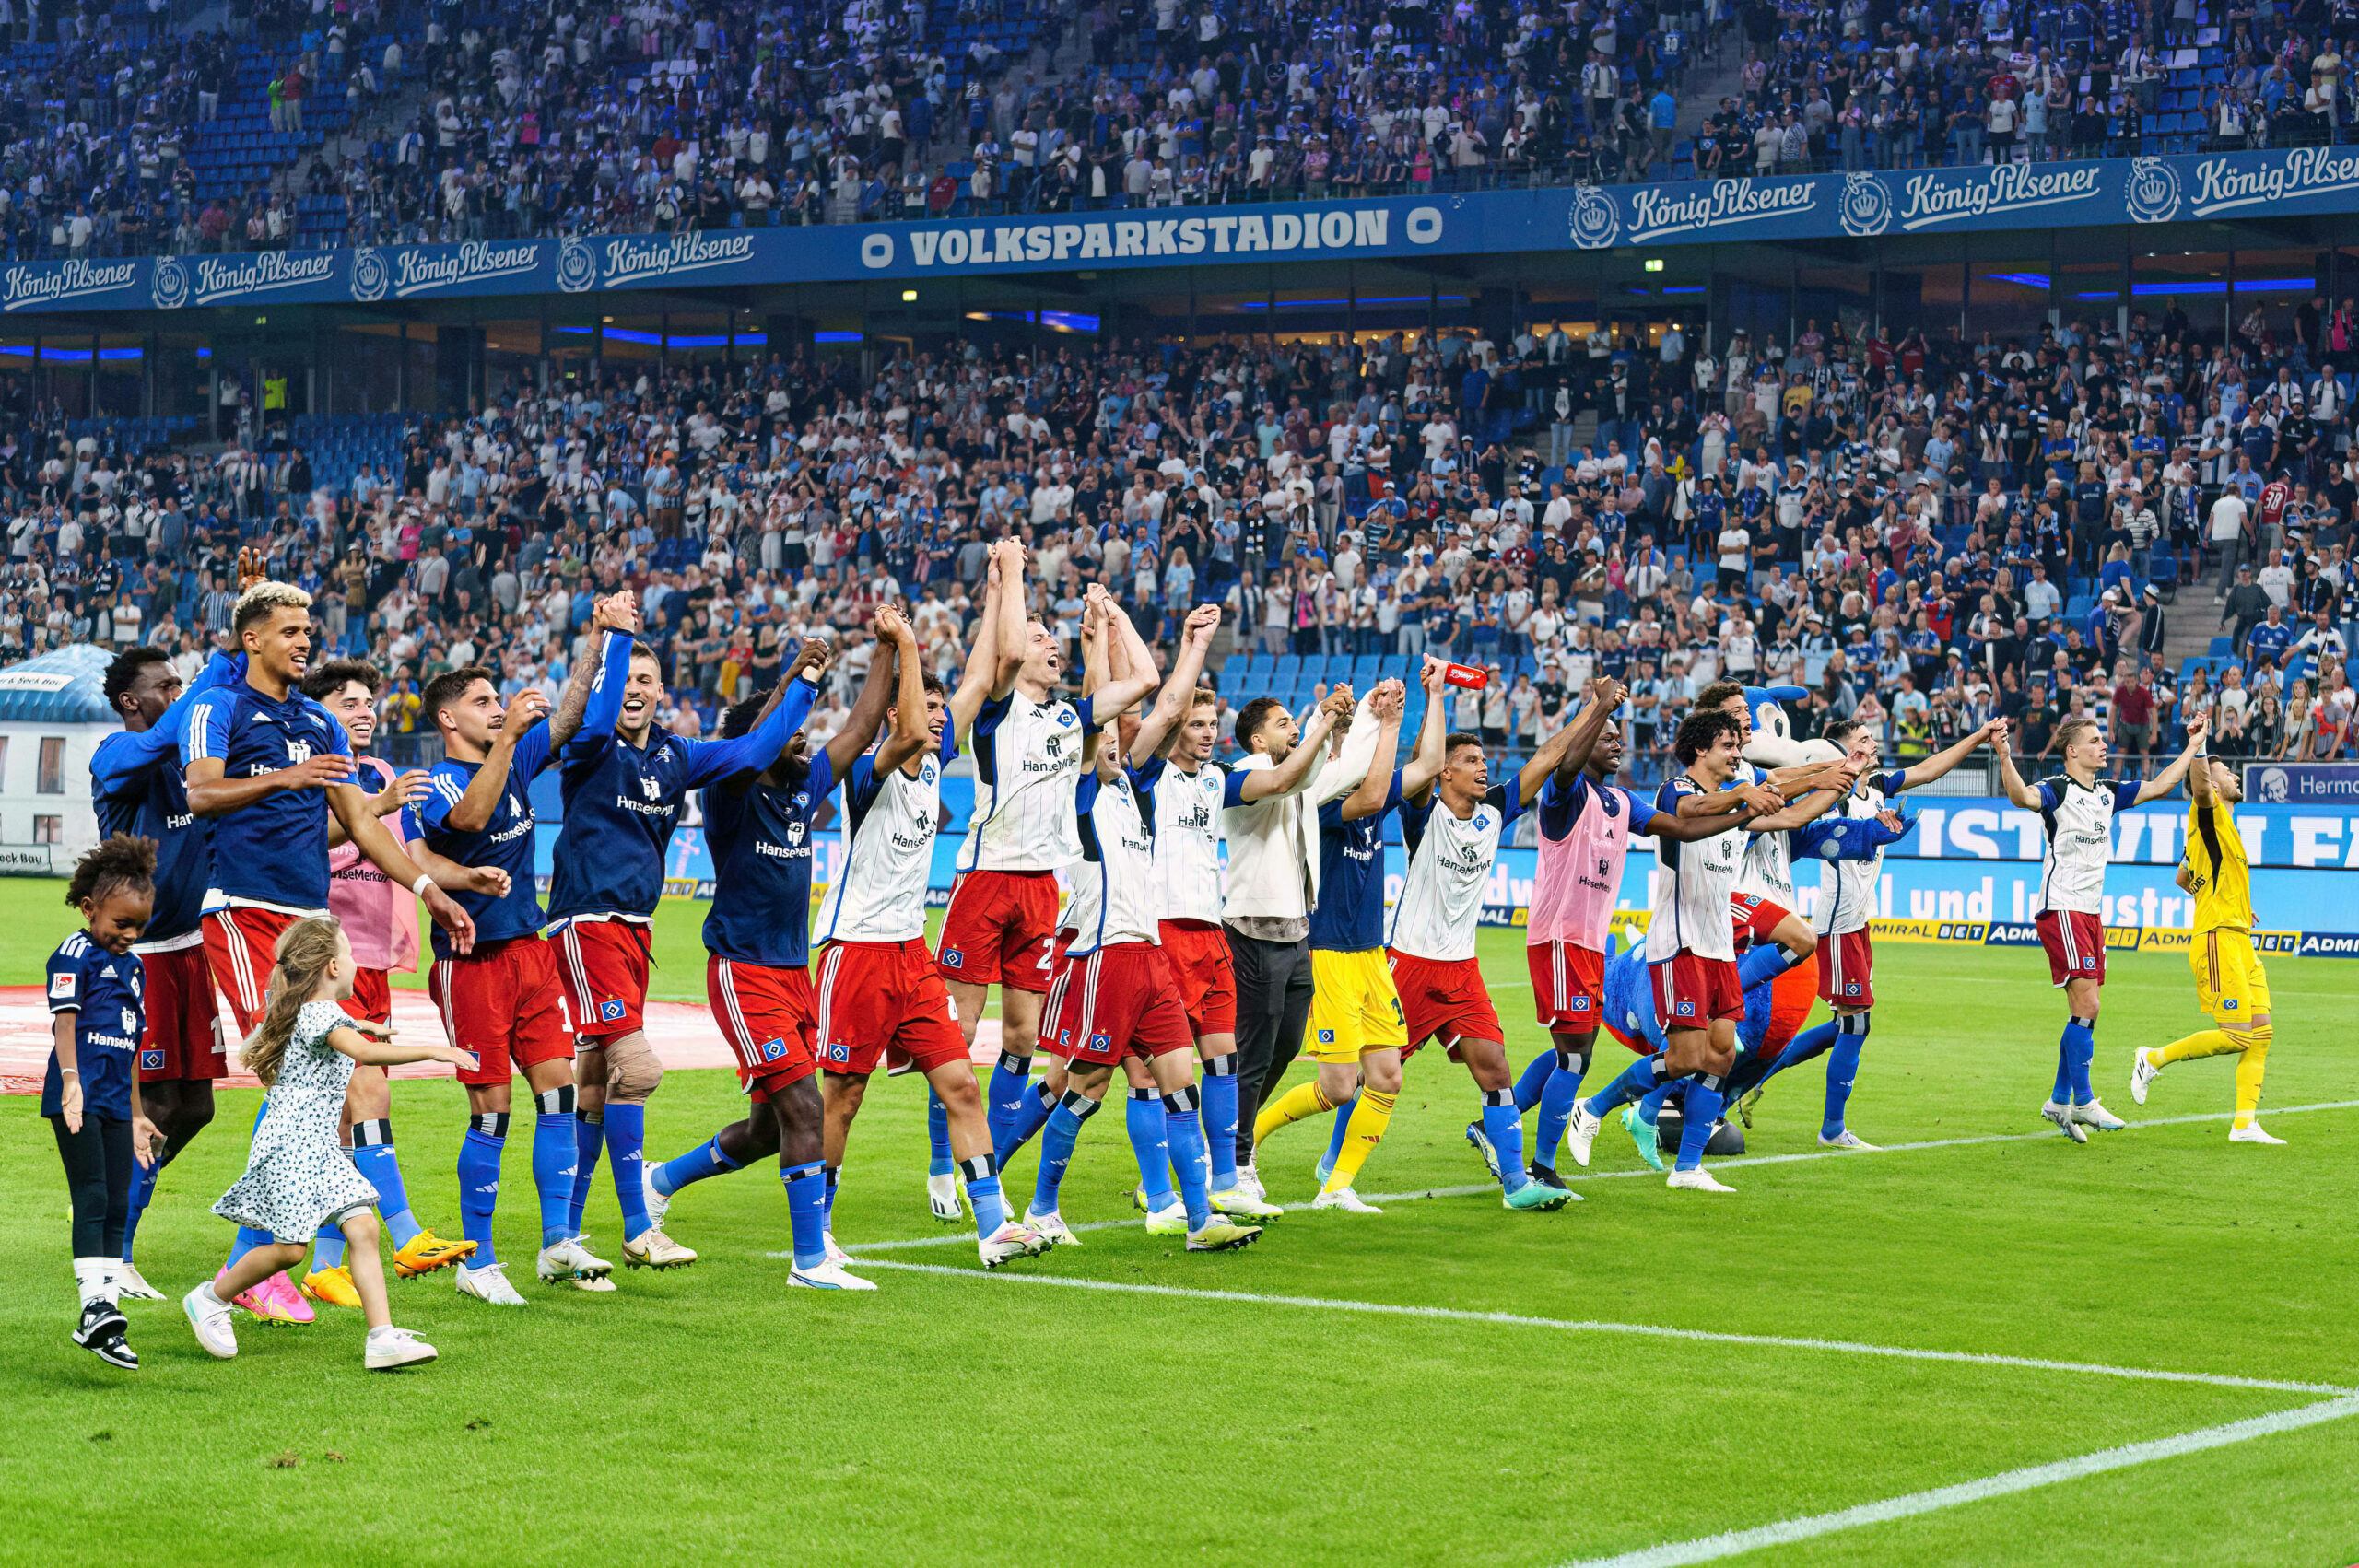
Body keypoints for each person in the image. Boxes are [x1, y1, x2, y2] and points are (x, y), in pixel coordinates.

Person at [182, 578, 480, 1324]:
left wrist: (426, 889)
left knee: (316, 1086)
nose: (303, 640)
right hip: (244, 910)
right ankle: (256, 1268)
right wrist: (286, 777)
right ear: (252, 638)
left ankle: (269, 1263)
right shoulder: (219, 708)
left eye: (307, 629)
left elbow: (361, 821)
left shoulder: (318, 721)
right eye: (288, 630)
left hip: (310, 920)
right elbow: (200, 794)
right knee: (294, 1073)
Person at [546, 625, 822, 1272]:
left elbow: (755, 748)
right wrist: (615, 639)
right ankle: (640, 1228)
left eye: (647, 680)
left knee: (594, 1082)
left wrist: (803, 685)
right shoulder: (590, 745)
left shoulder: (677, 754)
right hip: (587, 921)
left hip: (635, 931)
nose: (634, 691)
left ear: (663, 691)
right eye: (627, 681)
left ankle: (562, 1239)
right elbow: (598, 707)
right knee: (638, 1071)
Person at [795, 608, 1050, 1268]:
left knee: (962, 1084)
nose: (938, 718)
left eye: (941, 710)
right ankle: (816, 1229)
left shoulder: (938, 766)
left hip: (912, 953)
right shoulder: (870, 770)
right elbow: (909, 726)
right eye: (927, 708)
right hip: (856, 951)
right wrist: (906, 644)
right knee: (843, 1099)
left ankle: (993, 1227)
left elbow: (976, 678)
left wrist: (999, 589)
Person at [1022, 590, 1264, 1254]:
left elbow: (1164, 708)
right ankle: (1042, 1205)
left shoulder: (1135, 786)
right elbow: (1117, 704)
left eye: (1114, 738)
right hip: (1103, 959)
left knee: (1180, 1087)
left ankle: (1197, 1220)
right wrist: (1096, 639)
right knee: (1087, 1086)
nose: (1109, 743)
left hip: (1151, 955)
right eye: (1097, 737)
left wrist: (1194, 645)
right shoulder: (1076, 792)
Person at [405, 600, 633, 1305]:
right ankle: (480, 1262)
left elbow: (568, 719)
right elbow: (469, 818)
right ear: (451, 720)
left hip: (531, 957)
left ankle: (558, 1243)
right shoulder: (435, 781)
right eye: (482, 702)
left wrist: (598, 638)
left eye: (498, 699)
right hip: (470, 964)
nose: (496, 708)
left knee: (558, 1097)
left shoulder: (517, 748)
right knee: (491, 1113)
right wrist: (508, 744)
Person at [635, 648, 878, 1288]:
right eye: (790, 737)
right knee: (807, 1110)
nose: (803, 745)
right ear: (761, 741)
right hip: (743, 972)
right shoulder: (729, 792)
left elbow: (859, 728)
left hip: (795, 973)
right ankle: (810, 1261)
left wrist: (886, 654)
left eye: (804, 738)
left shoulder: (806, 785)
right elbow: (759, 739)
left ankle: (658, 1180)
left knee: (770, 1130)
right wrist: (796, 678)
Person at [1507, 680, 1781, 1178]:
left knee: (1581, 1052)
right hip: (1561, 936)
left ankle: (1512, 1125)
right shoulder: (1564, 793)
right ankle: (1541, 1158)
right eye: (1607, 737)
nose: (1617, 744)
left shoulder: (1623, 800)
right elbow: (1566, 763)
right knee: (1575, 1057)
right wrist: (1597, 707)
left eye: (1618, 737)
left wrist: (1747, 808)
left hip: (1593, 942)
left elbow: (1680, 829)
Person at [1567, 708, 1848, 1191]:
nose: (1737, 753)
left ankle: (1688, 1168)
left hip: (1719, 947)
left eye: (1738, 746)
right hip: (1680, 946)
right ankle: (1591, 1108)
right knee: (1685, 1058)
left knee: (1719, 1056)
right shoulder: (1676, 790)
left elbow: (1793, 811)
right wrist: (1742, 795)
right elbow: (1689, 815)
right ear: (1701, 750)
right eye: (1728, 745)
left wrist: (1833, 782)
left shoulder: (1736, 813)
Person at [181, 917, 472, 1370]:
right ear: (334, 967)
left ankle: (382, 1339)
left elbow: (341, 1034)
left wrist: (363, 1025)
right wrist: (435, 1051)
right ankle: (208, 1298)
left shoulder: (308, 1011)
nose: (357, 962)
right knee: (291, 1249)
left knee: (363, 1227)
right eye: (352, 954)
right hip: (294, 1147)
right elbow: (365, 1055)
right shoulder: (323, 1016)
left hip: (315, 1146)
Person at [298, 657, 483, 1303]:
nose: (365, 711)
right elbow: (299, 843)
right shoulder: (312, 771)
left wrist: (445, 887)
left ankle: (323, 1264)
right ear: (318, 712)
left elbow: (398, 853)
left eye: (369, 701)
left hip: (370, 961)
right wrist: (376, 805)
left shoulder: (376, 771)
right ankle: (403, 1231)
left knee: (340, 1119)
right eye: (348, 702)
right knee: (363, 1095)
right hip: (326, 963)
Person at [1250, 665, 1447, 1211]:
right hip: (1330, 952)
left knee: (1386, 1076)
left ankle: (1336, 1187)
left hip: (1370, 954)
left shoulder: (1375, 794)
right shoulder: (1323, 806)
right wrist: (1387, 725)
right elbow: (1376, 787)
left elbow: (1430, 765)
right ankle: (1249, 1139)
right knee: (1339, 1086)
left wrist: (1432, 696)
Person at [1388, 705, 1592, 1212]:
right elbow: (1419, 761)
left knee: (1496, 1070)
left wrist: (1595, 706)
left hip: (1462, 969)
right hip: (1409, 963)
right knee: (1375, 1075)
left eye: (1485, 759)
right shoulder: (1422, 810)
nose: (1483, 767)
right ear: (1444, 771)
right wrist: (1434, 695)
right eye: (1471, 760)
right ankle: (1333, 1173)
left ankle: (1516, 1183)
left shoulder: (1494, 810)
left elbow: (1548, 756)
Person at [91, 635, 243, 1300]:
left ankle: (117, 1197)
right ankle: (115, 1248)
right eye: (166, 686)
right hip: (141, 957)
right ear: (132, 700)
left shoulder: (188, 763)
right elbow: (173, 730)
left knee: (198, 1106)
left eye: (180, 685)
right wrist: (225, 659)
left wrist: (240, 651)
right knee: (152, 1102)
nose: (177, 696)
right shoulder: (116, 754)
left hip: (188, 952)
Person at [1122, 603, 1282, 1220]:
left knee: (1222, 1060)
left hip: (1209, 932)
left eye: (1214, 723)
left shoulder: (1215, 781)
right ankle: (1156, 1190)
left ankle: (1223, 1179)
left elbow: (1283, 779)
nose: (1208, 731)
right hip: (1155, 931)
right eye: (1197, 723)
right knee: (1143, 1075)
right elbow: (1162, 710)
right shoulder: (1149, 774)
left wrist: (1327, 730)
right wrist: (1195, 645)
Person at [1777, 712, 1999, 1149]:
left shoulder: (1877, 787)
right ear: (1841, 752)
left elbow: (1929, 768)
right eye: (1861, 740)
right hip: (1836, 927)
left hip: (1858, 924)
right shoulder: (1832, 796)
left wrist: (1976, 737)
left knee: (1846, 1025)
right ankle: (1832, 1130)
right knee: (1857, 1024)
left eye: (1870, 738)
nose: (1872, 744)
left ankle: (1758, 1073)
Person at [1994, 711, 2207, 1141]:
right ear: (2072, 751)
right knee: (2089, 1007)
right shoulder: (2057, 790)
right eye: (2094, 741)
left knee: (2082, 1010)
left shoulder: (2108, 793)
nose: (2103, 746)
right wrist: (2003, 753)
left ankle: (2058, 1099)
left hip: (2090, 913)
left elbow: (2161, 785)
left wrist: (2194, 744)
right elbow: (2019, 797)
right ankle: (2085, 1100)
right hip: (2062, 909)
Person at [1214, 679, 1353, 1204]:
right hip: (1253, 932)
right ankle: (1235, 1158)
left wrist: (1354, 724)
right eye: (1282, 723)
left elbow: (1336, 771)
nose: (1291, 729)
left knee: (1286, 1047)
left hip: (1296, 932)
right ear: (1255, 740)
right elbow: (1291, 777)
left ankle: (1231, 1140)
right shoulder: (1248, 774)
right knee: (1251, 1053)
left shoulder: (1293, 777)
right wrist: (1321, 722)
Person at [2130, 733, 2283, 1143]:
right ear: (2212, 786)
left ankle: (2244, 1124)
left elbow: (2183, 875)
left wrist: (2222, 897)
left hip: (2239, 936)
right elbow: (2198, 787)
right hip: (2217, 939)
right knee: (2237, 1034)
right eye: (2224, 772)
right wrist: (2198, 745)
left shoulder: (2222, 829)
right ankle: (2153, 1058)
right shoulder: (2209, 813)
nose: (2234, 774)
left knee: (2262, 1031)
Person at [47, 836, 163, 1371]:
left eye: (139, 926)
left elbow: (133, 1045)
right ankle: (93, 1305)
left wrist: (138, 1114)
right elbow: (64, 1023)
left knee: (120, 1201)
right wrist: (71, 1081)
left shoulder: (135, 968)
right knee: (92, 1194)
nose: (131, 935)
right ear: (91, 910)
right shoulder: (74, 954)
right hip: (78, 1097)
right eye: (121, 924)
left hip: (118, 1102)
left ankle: (107, 1319)